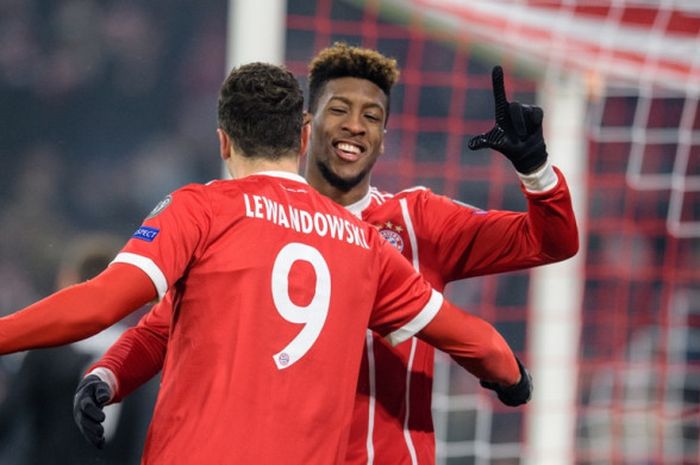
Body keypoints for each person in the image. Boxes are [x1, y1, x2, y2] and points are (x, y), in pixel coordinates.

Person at [0, 62, 530, 465]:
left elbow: (103, 303)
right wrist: (511, 378)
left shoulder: (202, 207)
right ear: (302, 138)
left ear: (224, 141)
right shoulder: (366, 244)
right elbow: (476, 340)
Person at [0, 234, 158, 465]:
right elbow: (140, 432)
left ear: (72, 285)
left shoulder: (48, 348)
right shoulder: (138, 355)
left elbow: (11, 415)